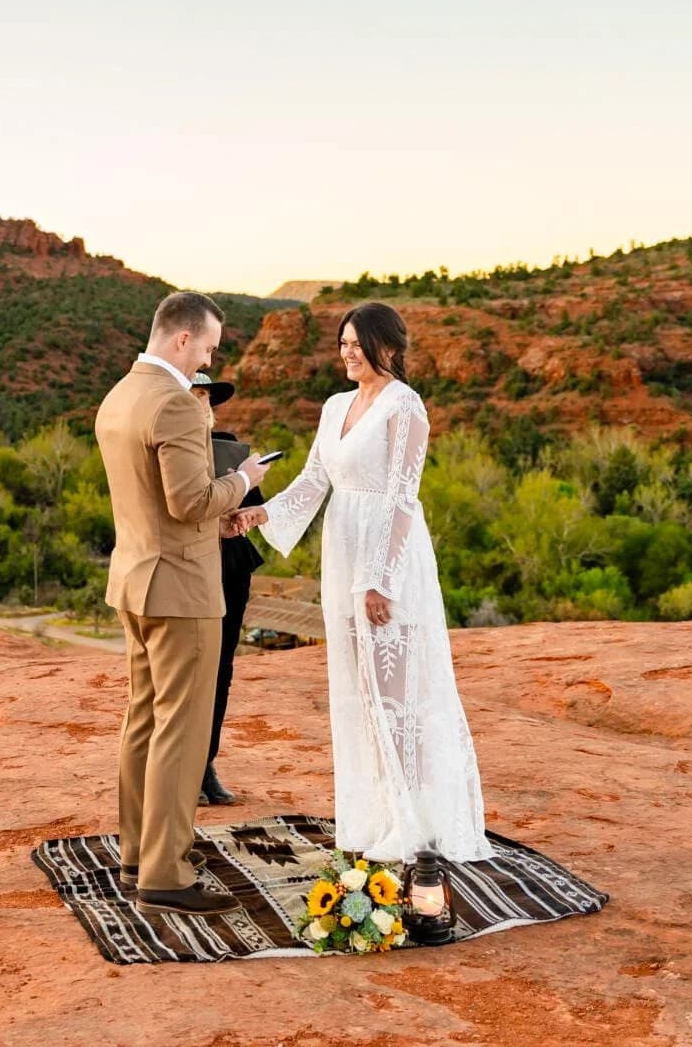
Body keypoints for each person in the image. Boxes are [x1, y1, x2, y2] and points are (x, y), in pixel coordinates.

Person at [225, 302, 491, 863]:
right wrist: (259, 514)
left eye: (355, 343)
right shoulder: (334, 405)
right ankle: (375, 814)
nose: (346, 352)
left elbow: (401, 497)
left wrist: (380, 580)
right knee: (359, 688)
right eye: (341, 343)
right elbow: (313, 479)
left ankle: (414, 819)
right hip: (341, 550)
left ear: (387, 347)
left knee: (395, 692)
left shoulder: (405, 407)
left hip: (385, 557)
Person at [96, 291, 271, 918]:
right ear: (181, 340)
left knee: (142, 717)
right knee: (182, 727)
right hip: (183, 591)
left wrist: (212, 521)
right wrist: (245, 481)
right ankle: (166, 871)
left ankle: (138, 853)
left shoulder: (120, 395)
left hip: (136, 580)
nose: (207, 360)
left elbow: (156, 503)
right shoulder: (174, 404)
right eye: (208, 348)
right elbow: (190, 501)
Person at [190, 372, 262, 807]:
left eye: (207, 398)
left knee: (221, 670)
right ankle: (180, 767)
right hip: (187, 568)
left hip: (230, 566)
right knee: (187, 673)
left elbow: (254, 506)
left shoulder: (228, 444)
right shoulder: (166, 444)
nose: (205, 405)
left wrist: (243, 488)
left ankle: (206, 764)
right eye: (196, 396)